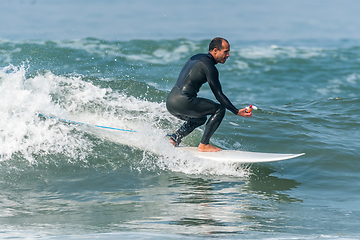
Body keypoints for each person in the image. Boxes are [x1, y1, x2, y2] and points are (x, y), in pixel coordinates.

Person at [166, 37, 252, 152]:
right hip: (184, 101)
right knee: (219, 109)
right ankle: (204, 145)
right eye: (226, 51)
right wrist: (236, 111)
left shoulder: (196, 57)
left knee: (200, 119)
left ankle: (174, 139)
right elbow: (218, 94)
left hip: (171, 102)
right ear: (215, 50)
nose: (228, 55)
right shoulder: (210, 67)